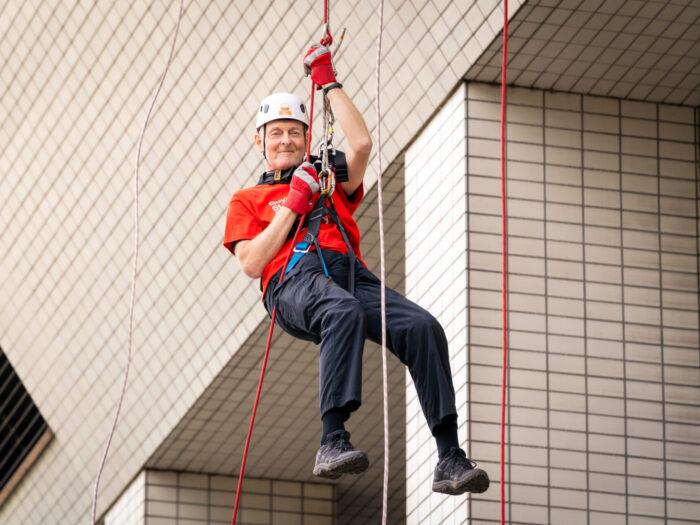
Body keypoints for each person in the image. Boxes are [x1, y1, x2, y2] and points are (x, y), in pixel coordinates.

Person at [223, 44, 489, 495]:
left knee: (423, 326)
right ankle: (332, 439)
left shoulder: (326, 174)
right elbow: (251, 262)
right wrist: (293, 203)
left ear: (306, 138)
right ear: (259, 141)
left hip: (349, 274)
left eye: (294, 132)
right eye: (275, 134)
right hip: (292, 282)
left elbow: (361, 144)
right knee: (341, 311)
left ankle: (449, 456)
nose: (285, 140)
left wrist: (328, 81)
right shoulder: (246, 200)